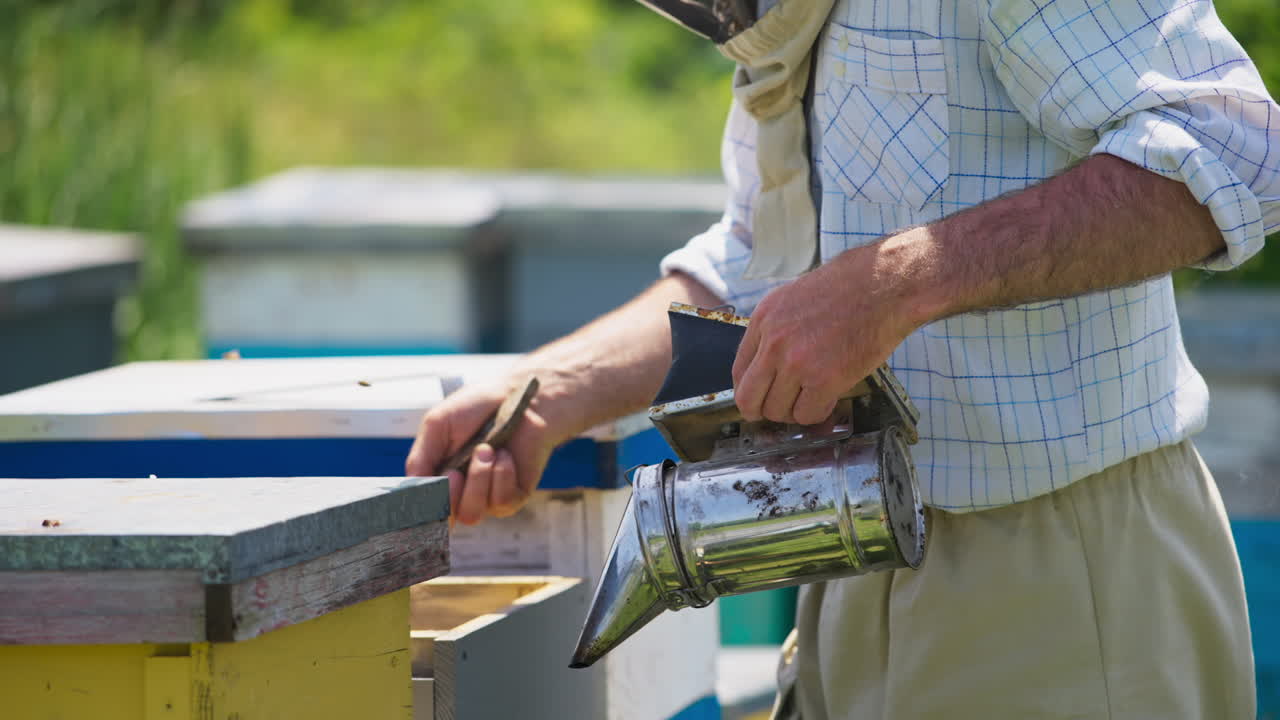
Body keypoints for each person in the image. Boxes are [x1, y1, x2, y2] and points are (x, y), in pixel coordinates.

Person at [407, 0, 1278, 716]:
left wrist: (892, 285)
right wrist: (553, 390)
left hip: (1059, 578)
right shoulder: (791, 20)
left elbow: (1235, 149)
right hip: (851, 561)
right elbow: (760, 259)